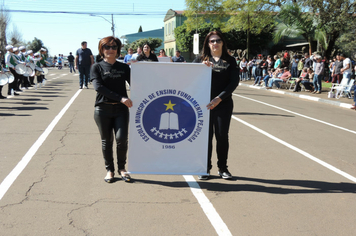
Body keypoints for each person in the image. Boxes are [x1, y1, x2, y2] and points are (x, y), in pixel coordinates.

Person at [193, 31, 239, 180]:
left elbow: (233, 82)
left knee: (222, 136)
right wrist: (200, 67)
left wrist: (219, 98)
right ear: (207, 43)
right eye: (212, 41)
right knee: (205, 137)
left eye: (218, 40)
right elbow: (188, 76)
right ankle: (205, 168)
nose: (215, 43)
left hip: (223, 104)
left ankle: (223, 168)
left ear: (222, 43)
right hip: (204, 105)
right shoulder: (200, 60)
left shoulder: (230, 60)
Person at [90, 36, 132, 183]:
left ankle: (122, 168)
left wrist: (141, 68)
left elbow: (139, 83)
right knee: (107, 141)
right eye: (107, 47)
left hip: (121, 110)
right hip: (102, 110)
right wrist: (121, 98)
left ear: (118, 50)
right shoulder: (97, 67)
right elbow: (98, 87)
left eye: (114, 47)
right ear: (101, 49)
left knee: (121, 139)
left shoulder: (124, 68)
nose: (110, 50)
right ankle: (110, 170)